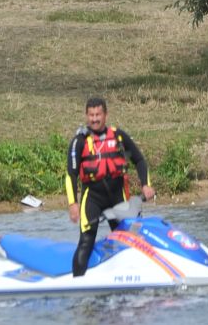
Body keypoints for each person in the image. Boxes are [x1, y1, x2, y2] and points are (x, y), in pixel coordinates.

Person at [66, 97, 155, 277]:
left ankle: (139, 275)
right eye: (91, 115)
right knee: (86, 240)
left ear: (105, 115)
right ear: (86, 116)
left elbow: (139, 160)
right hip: (92, 198)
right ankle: (77, 280)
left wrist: (146, 185)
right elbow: (71, 175)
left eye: (98, 114)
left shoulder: (119, 136)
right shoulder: (79, 142)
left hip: (118, 197)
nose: (94, 119)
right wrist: (72, 204)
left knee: (132, 238)